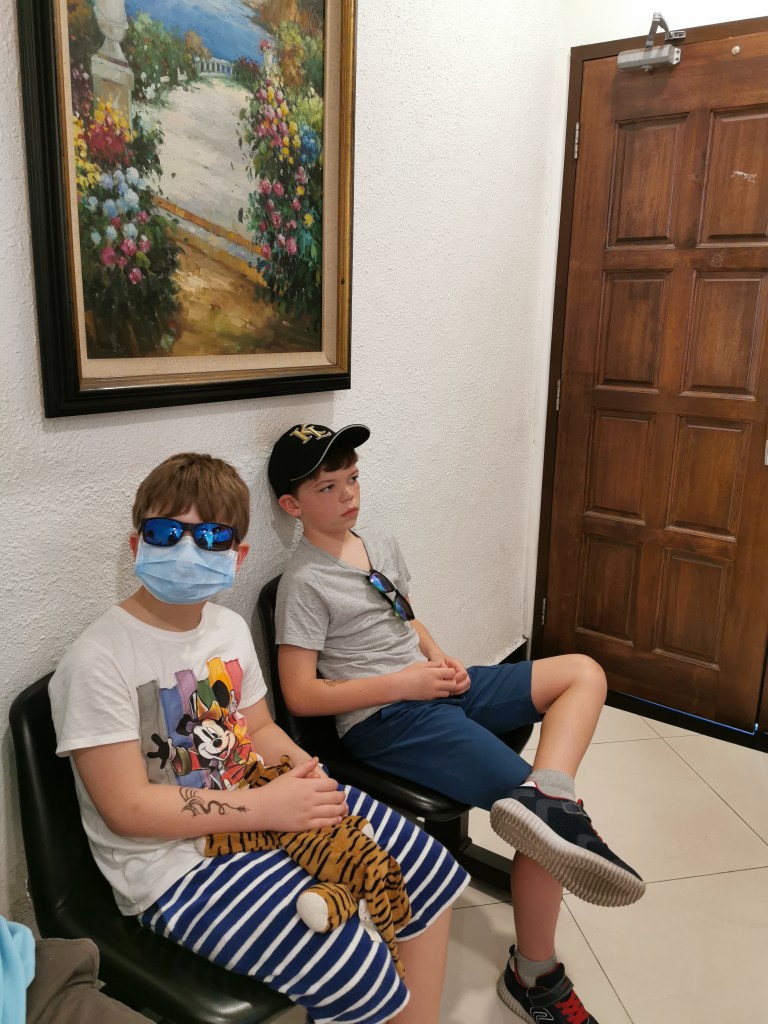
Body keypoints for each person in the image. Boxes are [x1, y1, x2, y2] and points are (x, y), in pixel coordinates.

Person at [48, 452, 469, 1024]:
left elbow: (261, 729)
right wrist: (268, 805)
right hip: (174, 865)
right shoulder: (97, 660)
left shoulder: (227, 628)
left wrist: (308, 777)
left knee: (426, 866)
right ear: (136, 545)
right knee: (351, 961)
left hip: (262, 805)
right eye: (166, 532)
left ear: (237, 556)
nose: (187, 549)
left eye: (211, 537)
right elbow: (126, 809)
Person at [269, 423, 647, 1024]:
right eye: (328, 487)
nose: (348, 495)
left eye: (353, 479)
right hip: (385, 718)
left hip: (432, 687)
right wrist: (405, 684)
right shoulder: (304, 581)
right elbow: (300, 694)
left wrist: (437, 655)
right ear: (292, 506)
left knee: (582, 672)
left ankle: (551, 795)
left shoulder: (376, 540)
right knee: (538, 828)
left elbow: (402, 616)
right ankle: (534, 977)